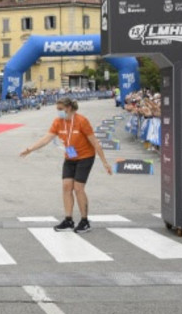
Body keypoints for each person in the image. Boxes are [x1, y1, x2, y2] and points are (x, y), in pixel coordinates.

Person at [19, 97, 113, 233]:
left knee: (78, 187)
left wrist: (105, 162)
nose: (58, 112)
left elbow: (95, 142)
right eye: (57, 110)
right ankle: (68, 220)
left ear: (69, 108)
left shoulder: (82, 121)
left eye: (60, 109)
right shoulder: (58, 122)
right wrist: (30, 149)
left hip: (85, 157)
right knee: (66, 186)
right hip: (70, 157)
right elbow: (46, 138)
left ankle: (85, 221)